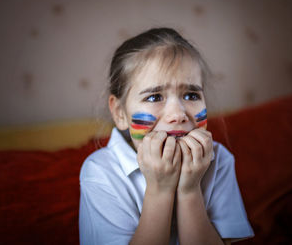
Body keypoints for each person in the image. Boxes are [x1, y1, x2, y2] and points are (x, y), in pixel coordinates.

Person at [79, 28, 254, 244]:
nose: (178, 114)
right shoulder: (100, 171)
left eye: (191, 95)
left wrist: (190, 190)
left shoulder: (219, 159)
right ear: (119, 113)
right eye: (154, 97)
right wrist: (159, 190)